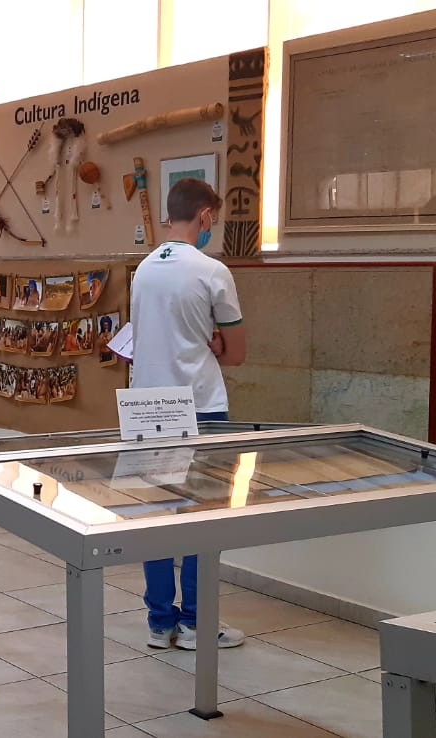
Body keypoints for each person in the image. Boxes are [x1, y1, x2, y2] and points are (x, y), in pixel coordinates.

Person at [129, 177, 247, 651]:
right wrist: (214, 343)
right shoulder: (211, 269)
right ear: (204, 215)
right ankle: (199, 621)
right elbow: (235, 352)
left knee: (154, 515)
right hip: (198, 405)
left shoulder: (143, 268)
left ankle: (160, 622)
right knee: (204, 515)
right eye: (211, 220)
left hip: (145, 405)